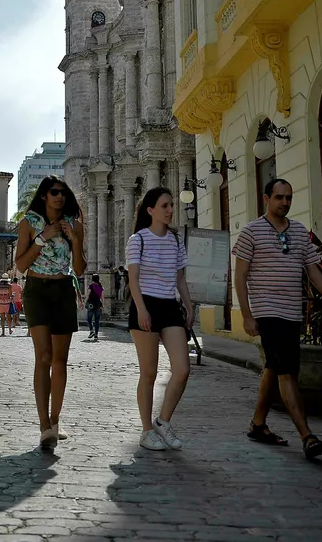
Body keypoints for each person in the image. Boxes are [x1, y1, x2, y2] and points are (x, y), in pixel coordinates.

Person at [233, 178, 322, 460]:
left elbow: (314, 271)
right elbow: (240, 275)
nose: (284, 202)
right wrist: (247, 314)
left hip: (291, 312)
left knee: (274, 365)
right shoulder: (251, 232)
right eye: (279, 197)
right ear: (266, 198)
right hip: (267, 311)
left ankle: (258, 424)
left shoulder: (298, 231)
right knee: (287, 372)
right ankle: (307, 436)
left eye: (288, 198)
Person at [15, 176, 86, 451]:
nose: (60, 197)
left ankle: (55, 422)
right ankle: (43, 424)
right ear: (44, 195)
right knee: (43, 356)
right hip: (37, 291)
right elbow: (21, 265)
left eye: (63, 193)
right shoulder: (28, 223)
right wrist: (43, 238)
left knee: (60, 359)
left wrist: (75, 239)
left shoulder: (75, 224)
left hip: (63, 289)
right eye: (54, 192)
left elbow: (79, 269)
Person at [126, 187, 195, 451]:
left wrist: (188, 306)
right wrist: (142, 309)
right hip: (146, 305)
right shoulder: (138, 240)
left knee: (182, 369)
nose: (170, 210)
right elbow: (133, 278)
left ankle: (163, 421)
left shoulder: (176, 240)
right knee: (149, 373)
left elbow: (180, 278)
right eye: (165, 205)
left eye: (171, 205)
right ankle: (146, 431)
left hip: (169, 306)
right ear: (150, 210)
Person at [85, 274, 104, 340]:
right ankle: (96, 334)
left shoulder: (91, 286)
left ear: (92, 279)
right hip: (98, 304)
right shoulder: (100, 287)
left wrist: (85, 302)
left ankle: (91, 331)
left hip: (91, 305)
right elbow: (102, 297)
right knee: (97, 320)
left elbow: (88, 295)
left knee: (89, 319)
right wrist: (102, 305)